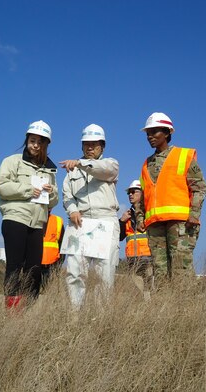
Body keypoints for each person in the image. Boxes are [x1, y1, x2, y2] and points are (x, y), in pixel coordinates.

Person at [135, 112, 206, 282]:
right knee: (160, 271)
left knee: (181, 268)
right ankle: (165, 306)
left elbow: (200, 188)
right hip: (154, 224)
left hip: (181, 222)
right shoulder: (146, 163)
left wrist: (194, 215)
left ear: (167, 132)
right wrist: (139, 218)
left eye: (155, 132)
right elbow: (142, 196)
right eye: (148, 133)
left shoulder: (183, 155)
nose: (150, 136)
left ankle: (186, 307)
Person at [0, 120, 58, 310]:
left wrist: (50, 192)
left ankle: (29, 311)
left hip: (38, 223)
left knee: (34, 269)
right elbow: (1, 187)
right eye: (32, 140)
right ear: (26, 140)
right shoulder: (12, 161)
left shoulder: (50, 169)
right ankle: (12, 312)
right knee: (14, 266)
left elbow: (54, 201)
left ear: (46, 144)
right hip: (15, 218)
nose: (35, 145)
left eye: (40, 142)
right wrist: (29, 190)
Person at [60, 124, 120, 309]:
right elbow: (67, 196)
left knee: (105, 273)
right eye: (86, 144)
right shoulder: (72, 172)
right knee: (75, 271)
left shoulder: (110, 164)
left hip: (105, 220)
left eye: (94, 144)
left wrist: (80, 163)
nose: (90, 147)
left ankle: (101, 318)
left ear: (102, 146)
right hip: (80, 222)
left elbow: (102, 170)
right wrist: (72, 210)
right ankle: (74, 316)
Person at [119, 180, 153, 300]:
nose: (130, 195)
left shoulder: (149, 212)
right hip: (132, 260)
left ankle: (152, 310)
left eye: (134, 192)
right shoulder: (127, 215)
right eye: (129, 192)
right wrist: (121, 221)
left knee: (151, 289)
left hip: (149, 257)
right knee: (139, 293)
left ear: (142, 193)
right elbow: (119, 237)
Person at [41, 210, 65, 288]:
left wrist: (59, 263)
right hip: (33, 265)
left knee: (50, 291)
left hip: (53, 265)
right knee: (31, 293)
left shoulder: (57, 221)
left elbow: (62, 244)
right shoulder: (30, 219)